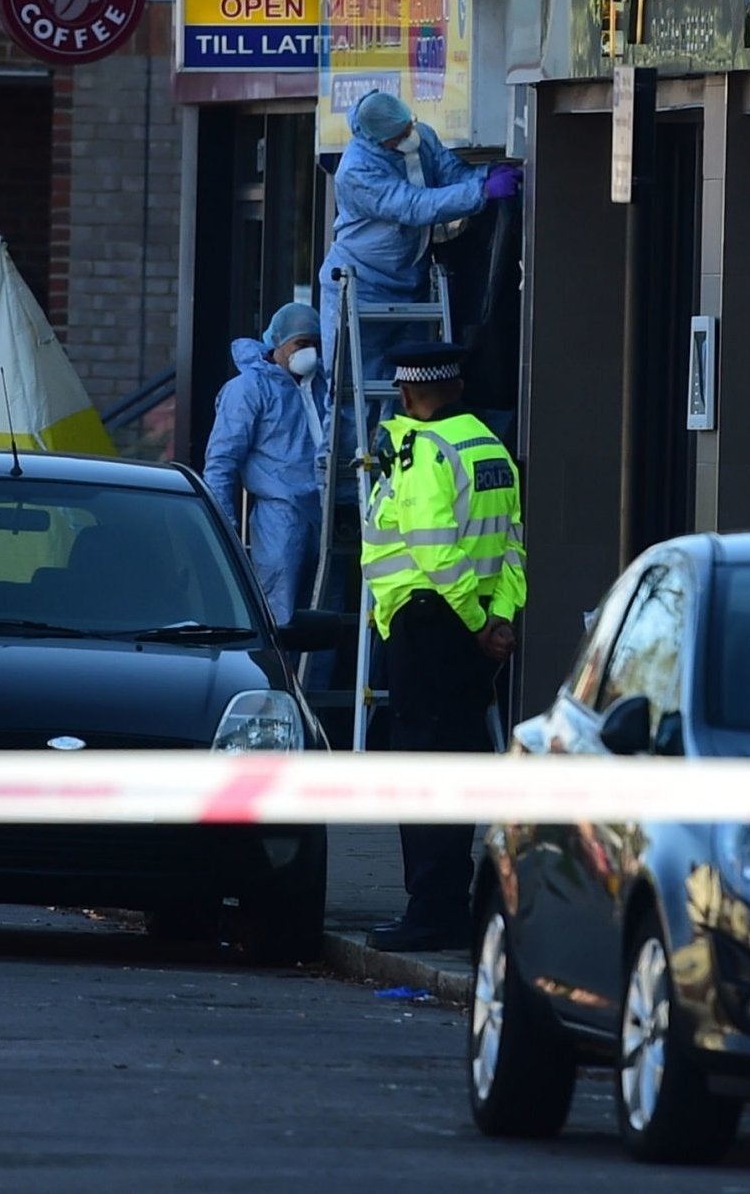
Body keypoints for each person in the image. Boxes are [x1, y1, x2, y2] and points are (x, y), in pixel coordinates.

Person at [358, 340, 523, 952]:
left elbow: (433, 549)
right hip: (471, 637)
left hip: (429, 626)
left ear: (407, 393)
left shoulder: (424, 450)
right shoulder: (489, 445)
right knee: (458, 765)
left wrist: (477, 620)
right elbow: (512, 546)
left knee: (424, 770)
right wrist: (498, 621)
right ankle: (453, 905)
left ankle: (431, 911)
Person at [317, 91, 520, 399]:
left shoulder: (421, 136)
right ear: (376, 140)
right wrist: (481, 192)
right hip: (363, 284)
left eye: (409, 125)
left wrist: (484, 174)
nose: (409, 135)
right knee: (352, 395)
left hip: (410, 281)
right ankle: (348, 449)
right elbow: (413, 206)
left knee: (410, 391)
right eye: (400, 135)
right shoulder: (356, 170)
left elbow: (450, 173)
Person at [201, 301, 329, 628]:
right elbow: (221, 463)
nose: (310, 352)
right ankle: (280, 679)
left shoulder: (320, 385)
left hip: (326, 511)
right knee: (278, 615)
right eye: (302, 344)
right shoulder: (248, 389)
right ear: (278, 344)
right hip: (279, 516)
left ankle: (316, 681)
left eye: (316, 343)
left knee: (325, 615)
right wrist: (225, 527)